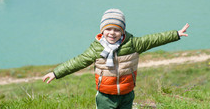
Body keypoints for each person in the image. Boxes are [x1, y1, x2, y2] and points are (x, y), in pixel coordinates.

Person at [43, 8, 190, 109]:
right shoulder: (97, 48)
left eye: (117, 29)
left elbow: (155, 39)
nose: (112, 33)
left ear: (122, 31)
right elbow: (77, 62)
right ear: (102, 30)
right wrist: (56, 73)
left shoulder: (133, 44)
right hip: (105, 96)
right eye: (108, 29)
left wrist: (176, 34)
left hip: (127, 94)